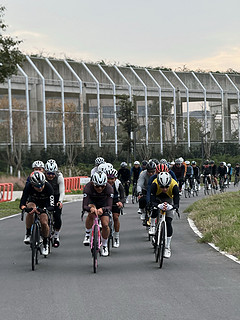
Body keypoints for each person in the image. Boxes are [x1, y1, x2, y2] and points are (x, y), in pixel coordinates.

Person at [20, 171, 54, 256]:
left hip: (44, 204)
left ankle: (45, 243)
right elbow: (23, 201)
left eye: (41, 185)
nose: (40, 188)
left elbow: (52, 206)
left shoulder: (48, 187)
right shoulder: (28, 186)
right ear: (32, 185)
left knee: (43, 222)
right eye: (37, 186)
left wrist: (44, 210)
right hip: (33, 201)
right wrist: (25, 208)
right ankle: (28, 233)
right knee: (30, 210)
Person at [82, 171, 113, 257]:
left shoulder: (109, 188)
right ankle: (88, 234)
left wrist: (103, 209)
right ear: (93, 183)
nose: (100, 189)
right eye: (97, 186)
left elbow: (110, 206)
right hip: (92, 203)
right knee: (91, 214)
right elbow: (84, 206)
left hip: (104, 204)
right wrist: (91, 208)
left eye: (102, 186)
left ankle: (104, 245)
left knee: (105, 224)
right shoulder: (88, 187)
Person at [150, 172, 180, 258]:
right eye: (162, 187)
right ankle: (154, 227)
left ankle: (167, 247)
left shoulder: (174, 186)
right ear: (158, 184)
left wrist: (173, 207)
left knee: (168, 222)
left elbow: (177, 202)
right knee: (154, 210)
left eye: (167, 186)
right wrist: (156, 205)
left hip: (169, 199)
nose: (164, 189)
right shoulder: (154, 184)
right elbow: (151, 200)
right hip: (157, 198)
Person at [44, 160, 65, 247]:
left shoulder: (59, 177)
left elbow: (62, 191)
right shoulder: (42, 177)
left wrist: (60, 201)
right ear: (45, 172)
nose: (51, 176)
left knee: (57, 216)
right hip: (45, 196)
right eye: (48, 174)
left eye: (53, 174)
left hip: (56, 196)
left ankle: (56, 236)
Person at [106, 168, 125, 248]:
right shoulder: (103, 183)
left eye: (112, 179)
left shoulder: (118, 184)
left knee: (115, 217)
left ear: (115, 178)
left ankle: (116, 237)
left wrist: (121, 202)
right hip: (106, 201)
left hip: (115, 201)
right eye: (108, 179)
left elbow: (123, 196)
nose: (110, 181)